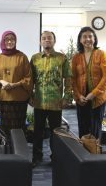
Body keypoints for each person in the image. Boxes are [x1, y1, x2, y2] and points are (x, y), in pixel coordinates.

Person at [30, 31, 73, 166]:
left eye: (49, 38)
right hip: (39, 102)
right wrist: (30, 96)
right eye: (44, 38)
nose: (47, 40)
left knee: (56, 133)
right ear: (40, 42)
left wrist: (67, 97)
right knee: (37, 132)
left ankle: (56, 157)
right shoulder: (35, 58)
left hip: (56, 102)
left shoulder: (62, 58)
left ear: (54, 41)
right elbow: (30, 80)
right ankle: (37, 157)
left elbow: (68, 79)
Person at [72, 26, 106, 139]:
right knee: (83, 127)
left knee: (95, 128)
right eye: (84, 37)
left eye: (90, 36)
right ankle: (83, 154)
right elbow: (72, 78)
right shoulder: (76, 57)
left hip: (97, 98)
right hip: (81, 98)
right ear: (80, 40)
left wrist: (93, 94)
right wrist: (78, 95)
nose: (87, 39)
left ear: (94, 39)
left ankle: (94, 154)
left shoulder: (102, 54)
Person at [0, 30, 33, 135]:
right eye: (7, 39)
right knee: (5, 127)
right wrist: (1, 81)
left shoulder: (22, 57)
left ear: (15, 41)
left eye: (12, 39)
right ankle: (7, 150)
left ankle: (19, 151)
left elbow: (28, 78)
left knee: (19, 127)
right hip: (5, 98)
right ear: (2, 41)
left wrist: (14, 85)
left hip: (20, 98)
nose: (10, 42)